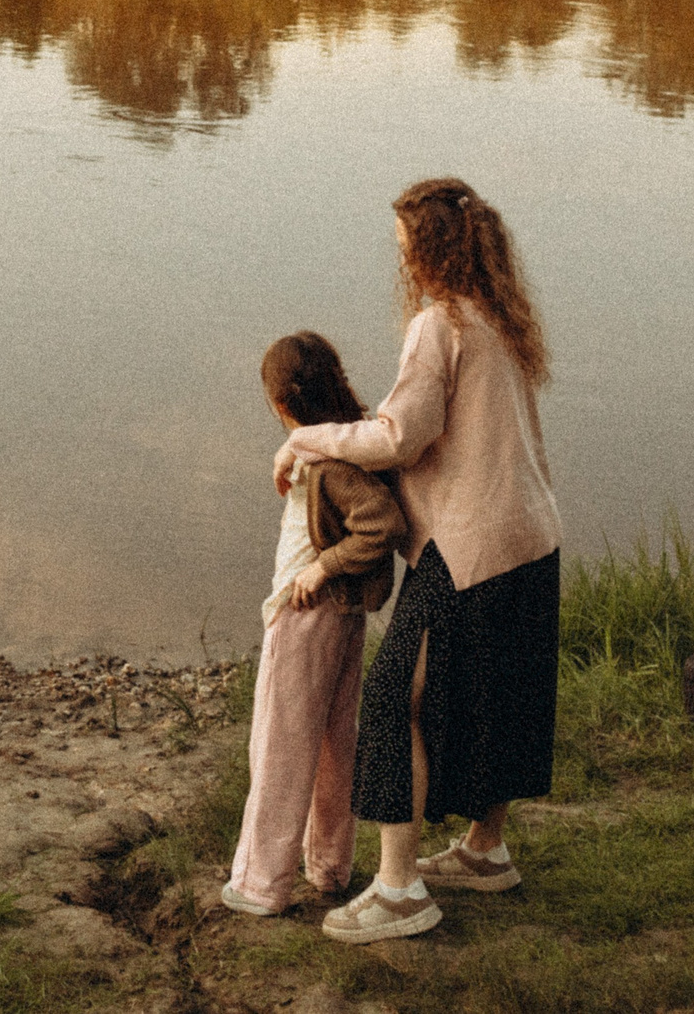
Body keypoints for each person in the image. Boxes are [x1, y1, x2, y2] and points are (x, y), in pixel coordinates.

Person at [273, 178, 563, 945]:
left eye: (404, 245)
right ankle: (485, 847)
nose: (399, 258)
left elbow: (401, 438)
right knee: (494, 694)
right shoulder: (501, 320)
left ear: (430, 251)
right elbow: (434, 426)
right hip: (530, 537)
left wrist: (311, 437)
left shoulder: (440, 324)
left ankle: (400, 889)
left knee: (393, 700)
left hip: (467, 546)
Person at [221, 332, 406, 919]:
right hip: (341, 619)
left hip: (304, 615)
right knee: (333, 741)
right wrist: (293, 453)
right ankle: (328, 866)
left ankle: (259, 883)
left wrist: (324, 566)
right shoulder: (339, 446)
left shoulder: (329, 465)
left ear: (281, 405)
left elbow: (381, 522)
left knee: (280, 744)